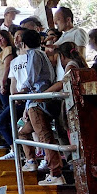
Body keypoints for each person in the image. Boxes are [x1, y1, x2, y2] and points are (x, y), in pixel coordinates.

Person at [17, 30, 64, 185]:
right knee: (23, 132)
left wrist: (22, 90)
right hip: (34, 101)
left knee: (45, 137)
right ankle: (31, 160)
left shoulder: (34, 55)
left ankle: (56, 173)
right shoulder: (41, 53)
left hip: (37, 101)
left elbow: (31, 77)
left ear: (24, 44)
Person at [0, 29, 28, 160]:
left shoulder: (33, 56)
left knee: (4, 121)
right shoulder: (16, 61)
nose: (16, 39)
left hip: (29, 97)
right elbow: (13, 81)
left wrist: (21, 94)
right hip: (17, 98)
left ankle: (27, 154)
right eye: (15, 36)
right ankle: (18, 151)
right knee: (7, 122)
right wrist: (14, 96)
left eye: (19, 36)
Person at [0, 29, 16, 110]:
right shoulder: (1, 51)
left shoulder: (8, 49)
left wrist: (3, 82)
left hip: (5, 82)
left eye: (1, 38)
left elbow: (7, 66)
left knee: (7, 106)